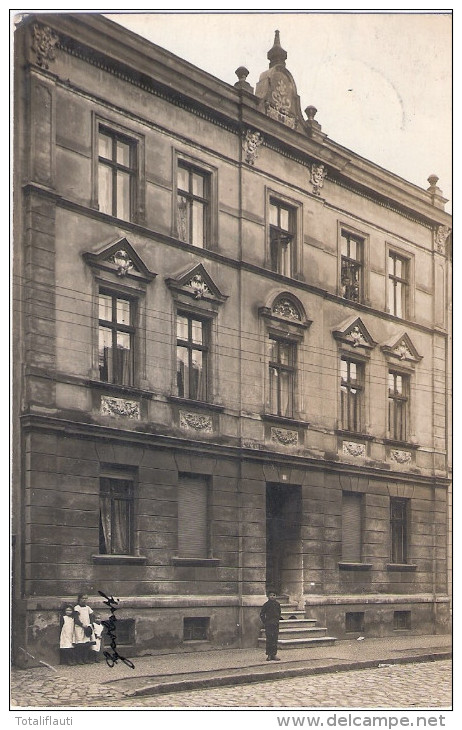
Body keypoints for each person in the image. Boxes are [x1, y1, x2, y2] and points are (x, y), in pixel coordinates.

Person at [260, 590, 282, 661]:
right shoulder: (266, 605)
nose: (272, 597)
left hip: (275, 624)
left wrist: (277, 620)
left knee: (275, 639)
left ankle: (274, 654)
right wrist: (265, 622)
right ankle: (269, 655)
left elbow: (279, 613)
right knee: (269, 639)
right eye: (271, 595)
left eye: (274, 595)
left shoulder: (277, 604)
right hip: (268, 624)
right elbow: (262, 614)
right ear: (268, 596)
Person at [73, 593, 94, 664]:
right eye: (83, 598)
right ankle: (79, 659)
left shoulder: (88, 608)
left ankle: (85, 658)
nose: (84, 600)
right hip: (79, 628)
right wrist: (82, 624)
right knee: (80, 644)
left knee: (87, 644)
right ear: (79, 599)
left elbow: (91, 616)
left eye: (86, 598)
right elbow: (76, 619)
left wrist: (90, 624)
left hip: (87, 628)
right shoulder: (77, 608)